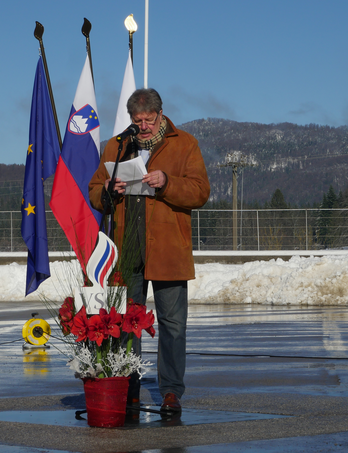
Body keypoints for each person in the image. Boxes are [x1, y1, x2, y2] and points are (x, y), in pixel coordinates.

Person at [89, 88, 210, 412]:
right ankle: (127, 385)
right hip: (127, 251)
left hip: (169, 249)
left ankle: (171, 391)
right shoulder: (117, 146)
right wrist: (108, 191)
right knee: (127, 321)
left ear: (160, 114)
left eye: (148, 119)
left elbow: (200, 192)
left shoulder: (184, 144)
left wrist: (167, 182)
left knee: (172, 324)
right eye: (136, 120)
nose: (142, 126)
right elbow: (94, 190)